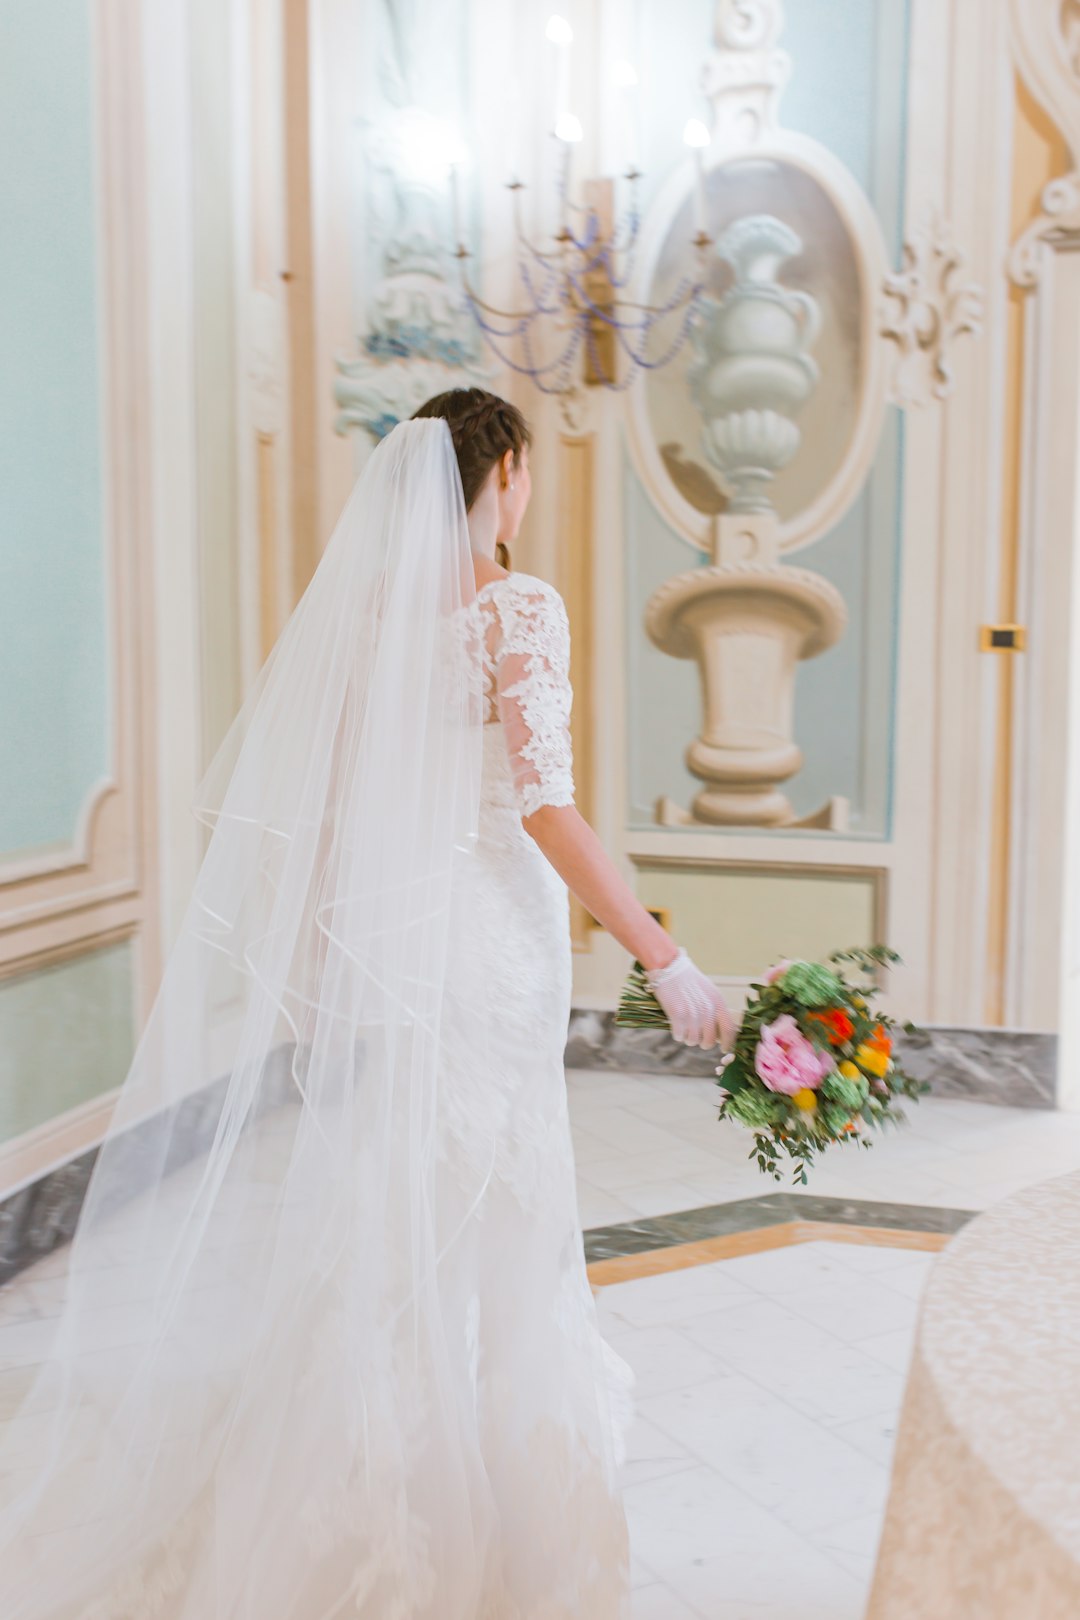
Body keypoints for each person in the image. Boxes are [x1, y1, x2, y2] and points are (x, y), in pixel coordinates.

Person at [0, 390, 731, 1618]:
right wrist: (659, 948)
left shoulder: (370, 630)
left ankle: (363, 1487)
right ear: (501, 473)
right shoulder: (518, 605)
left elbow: (332, 823)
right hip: (492, 948)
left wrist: (340, 973)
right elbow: (545, 804)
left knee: (403, 1213)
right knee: (498, 1208)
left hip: (409, 956)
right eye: (528, 472)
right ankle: (484, 1501)